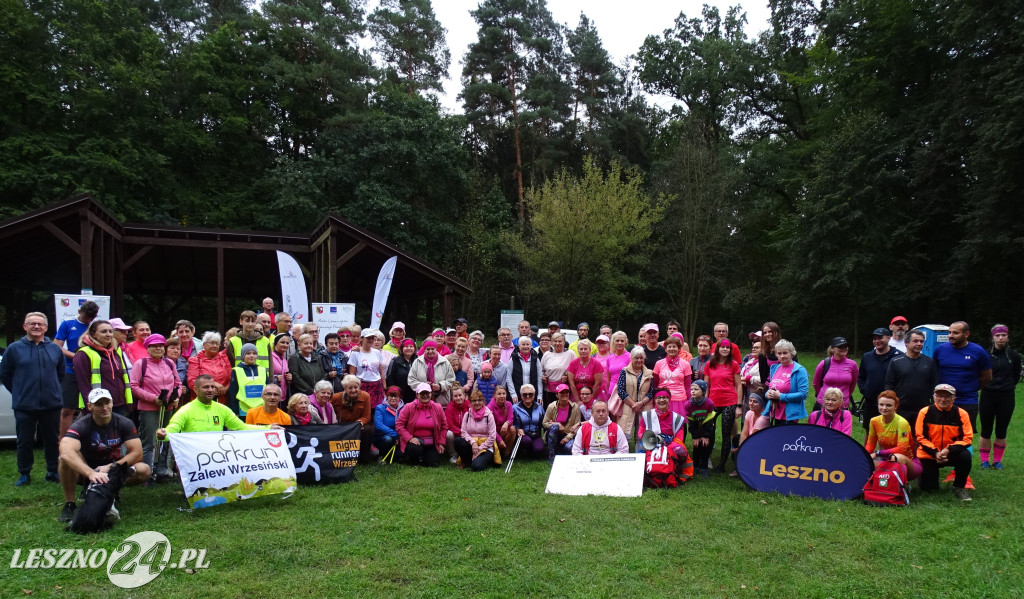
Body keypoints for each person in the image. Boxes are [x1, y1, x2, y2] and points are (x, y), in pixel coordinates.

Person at [57, 389, 151, 524]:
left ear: (112, 403)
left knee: (144, 470)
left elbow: (137, 453)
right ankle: (70, 504)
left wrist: (111, 467)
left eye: (107, 402)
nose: (104, 407)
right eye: (99, 404)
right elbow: (65, 451)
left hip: (113, 469)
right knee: (63, 461)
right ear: (89, 407)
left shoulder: (124, 422)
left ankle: (111, 490)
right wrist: (90, 473)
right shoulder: (80, 425)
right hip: (86, 471)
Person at [2, 312, 64, 486]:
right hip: (24, 404)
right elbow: (5, 374)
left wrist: (52, 390)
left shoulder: (54, 349)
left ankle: (52, 471)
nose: (36, 327)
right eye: (32, 324)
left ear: (46, 327)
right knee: (25, 440)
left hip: (51, 404)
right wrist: (19, 391)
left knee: (52, 439)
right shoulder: (13, 349)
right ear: (25, 326)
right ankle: (24, 473)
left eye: (40, 324)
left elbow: (60, 374)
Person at [128, 333, 182, 482]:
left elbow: (177, 383)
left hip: (168, 406)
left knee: (166, 438)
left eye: (160, 346)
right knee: (150, 441)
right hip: (149, 408)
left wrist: (175, 397)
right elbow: (134, 386)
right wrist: (153, 399)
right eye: (154, 346)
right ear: (148, 348)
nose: (158, 348)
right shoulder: (141, 364)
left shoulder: (169, 363)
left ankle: (163, 470)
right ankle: (147, 472)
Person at [158, 375, 277, 440]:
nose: (210, 390)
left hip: (216, 457)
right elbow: (172, 430)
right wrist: (164, 434)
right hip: (194, 458)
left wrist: (268, 428)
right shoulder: (185, 410)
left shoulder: (222, 409)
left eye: (212, 387)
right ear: (195, 389)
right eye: (205, 387)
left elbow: (241, 427)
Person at [916, 384, 974, 501]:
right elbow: (920, 437)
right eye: (939, 396)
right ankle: (922, 477)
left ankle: (958, 487)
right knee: (929, 489)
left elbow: (967, 438)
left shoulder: (961, 413)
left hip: (952, 453)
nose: (943, 399)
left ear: (954, 399)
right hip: (929, 454)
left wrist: (948, 450)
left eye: (947, 397)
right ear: (934, 396)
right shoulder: (925, 412)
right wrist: (935, 453)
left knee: (966, 456)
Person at [933, 321, 993, 433]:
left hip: (967, 400)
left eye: (955, 333)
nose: (951, 335)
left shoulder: (978, 351)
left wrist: (970, 387)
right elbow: (934, 372)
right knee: (941, 434)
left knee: (965, 436)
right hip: (943, 400)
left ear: (966, 334)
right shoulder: (940, 350)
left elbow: (987, 377)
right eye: (949, 332)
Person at [54, 300, 99, 437]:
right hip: (70, 370)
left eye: (91, 318)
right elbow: (57, 347)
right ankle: (63, 442)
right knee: (67, 409)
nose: (88, 320)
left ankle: (88, 440)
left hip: (90, 372)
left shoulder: (94, 327)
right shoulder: (68, 324)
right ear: (79, 311)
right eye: (86, 317)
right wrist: (77, 356)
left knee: (91, 408)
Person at [979, 324, 1021, 469]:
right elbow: (981, 374)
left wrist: (1006, 386)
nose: (1001, 338)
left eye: (1003, 335)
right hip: (988, 395)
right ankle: (984, 460)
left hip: (1006, 396)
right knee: (986, 430)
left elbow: (1016, 376)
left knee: (1001, 430)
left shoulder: (1013, 355)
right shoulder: (985, 354)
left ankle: (997, 461)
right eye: (998, 335)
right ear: (993, 337)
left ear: (1008, 337)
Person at [73, 319, 133, 415]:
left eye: (110, 331)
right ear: (93, 334)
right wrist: (90, 407)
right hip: (98, 406)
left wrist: (128, 402)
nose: (108, 334)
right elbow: (83, 384)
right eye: (103, 331)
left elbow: (124, 378)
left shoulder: (117, 351)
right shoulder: (83, 353)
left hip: (119, 404)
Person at [884, 330, 939, 423]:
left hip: (923, 408)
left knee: (920, 436)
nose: (919, 344)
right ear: (906, 343)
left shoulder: (930, 362)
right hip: (901, 408)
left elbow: (935, 384)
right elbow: (889, 385)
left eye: (921, 341)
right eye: (915, 341)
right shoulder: (896, 361)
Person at [865, 390, 921, 479]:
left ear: (895, 406)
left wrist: (878, 453)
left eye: (888, 405)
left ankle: (899, 486)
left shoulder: (902, 423)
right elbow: (870, 444)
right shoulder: (874, 421)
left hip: (908, 461)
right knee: (864, 462)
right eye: (881, 404)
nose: (884, 408)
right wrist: (864, 455)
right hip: (886, 459)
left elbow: (902, 449)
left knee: (896, 457)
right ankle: (879, 486)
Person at [858, 327, 903, 435]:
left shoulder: (899, 356)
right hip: (871, 402)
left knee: (891, 433)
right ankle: (867, 452)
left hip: (890, 403)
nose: (877, 341)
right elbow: (861, 377)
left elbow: (902, 379)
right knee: (870, 432)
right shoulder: (867, 357)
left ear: (888, 338)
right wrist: (865, 390)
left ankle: (888, 452)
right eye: (874, 338)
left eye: (880, 338)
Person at [705, 338, 742, 471]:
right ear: (718, 349)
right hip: (713, 402)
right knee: (709, 431)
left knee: (726, 434)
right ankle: (706, 459)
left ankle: (721, 465)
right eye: (723, 347)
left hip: (729, 402)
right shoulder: (710, 364)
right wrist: (705, 403)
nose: (725, 349)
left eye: (728, 348)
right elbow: (706, 385)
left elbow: (738, 385)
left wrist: (738, 405)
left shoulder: (734, 364)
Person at [396, 383, 448, 467]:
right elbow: (399, 425)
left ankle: (424, 457)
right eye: (422, 393)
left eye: (427, 393)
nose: (425, 395)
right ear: (417, 394)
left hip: (431, 442)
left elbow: (444, 426)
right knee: (414, 449)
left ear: (431, 394)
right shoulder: (408, 407)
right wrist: (410, 438)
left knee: (432, 464)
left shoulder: (438, 407)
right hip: (415, 441)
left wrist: (441, 442)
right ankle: (413, 458)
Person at [613, 347, 654, 444]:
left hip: (644, 407)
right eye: (636, 358)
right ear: (631, 358)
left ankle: (641, 457)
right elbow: (621, 390)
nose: (639, 360)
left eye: (641, 358)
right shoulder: (624, 371)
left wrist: (641, 403)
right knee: (625, 436)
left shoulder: (649, 373)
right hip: (627, 407)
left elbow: (651, 391)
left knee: (641, 437)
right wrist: (633, 405)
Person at [331, 375, 375, 463]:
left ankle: (364, 457)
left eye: (356, 387)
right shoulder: (336, 397)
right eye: (350, 388)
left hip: (357, 425)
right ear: (344, 388)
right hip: (342, 425)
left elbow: (367, 416)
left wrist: (359, 423)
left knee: (368, 429)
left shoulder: (365, 396)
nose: (353, 390)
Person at [765, 339, 808, 425]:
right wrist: (767, 394)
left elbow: (803, 394)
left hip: (789, 415)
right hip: (774, 413)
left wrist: (781, 396)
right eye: (779, 353)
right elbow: (770, 386)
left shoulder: (799, 370)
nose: (782, 356)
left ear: (792, 354)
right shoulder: (774, 368)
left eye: (785, 353)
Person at [812, 337, 859, 411]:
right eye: (840, 346)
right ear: (832, 349)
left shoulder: (852, 364)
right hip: (824, 404)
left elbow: (853, 384)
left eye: (845, 346)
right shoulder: (824, 363)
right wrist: (824, 396)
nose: (843, 348)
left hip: (842, 405)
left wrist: (845, 396)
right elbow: (816, 383)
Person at [454, 392, 497, 471]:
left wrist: (479, 448)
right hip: (471, 445)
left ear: (483, 401)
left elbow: (492, 436)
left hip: (485, 447)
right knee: (458, 441)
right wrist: (473, 443)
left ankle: (482, 459)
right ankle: (467, 461)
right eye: (474, 401)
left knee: (476, 467)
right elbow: (463, 432)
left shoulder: (489, 415)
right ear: (470, 402)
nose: (477, 403)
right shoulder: (467, 415)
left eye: (479, 400)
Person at [226, 343, 271, 418]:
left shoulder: (262, 370)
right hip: (244, 411)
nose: (252, 356)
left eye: (254, 353)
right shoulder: (236, 370)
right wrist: (234, 411)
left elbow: (269, 390)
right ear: (243, 356)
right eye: (248, 353)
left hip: (261, 409)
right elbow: (232, 392)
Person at [408, 340, 457, 406]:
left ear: (436, 349)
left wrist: (440, 386)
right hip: (421, 401)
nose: (430, 351)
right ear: (424, 350)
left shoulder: (445, 362)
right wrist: (423, 386)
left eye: (432, 349)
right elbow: (411, 380)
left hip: (441, 401)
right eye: (428, 349)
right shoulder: (417, 362)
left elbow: (451, 379)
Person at [186, 331, 232, 402]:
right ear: (204, 345)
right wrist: (213, 385)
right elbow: (192, 382)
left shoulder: (224, 358)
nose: (215, 346)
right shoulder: (195, 360)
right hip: (203, 401)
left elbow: (231, 377)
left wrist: (226, 388)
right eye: (212, 343)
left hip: (223, 400)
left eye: (217, 343)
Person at [653, 336, 693, 416]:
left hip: (680, 400)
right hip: (662, 399)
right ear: (665, 349)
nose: (672, 349)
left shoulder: (685, 364)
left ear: (679, 349)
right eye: (669, 346)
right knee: (662, 426)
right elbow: (655, 384)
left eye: (674, 346)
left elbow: (688, 386)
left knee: (680, 426)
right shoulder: (659, 363)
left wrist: (690, 401)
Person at [684, 380, 718, 476]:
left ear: (703, 391)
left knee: (705, 447)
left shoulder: (709, 403)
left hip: (707, 428)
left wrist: (705, 435)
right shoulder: (688, 405)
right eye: (691, 389)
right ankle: (696, 466)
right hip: (696, 427)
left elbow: (710, 420)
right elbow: (691, 422)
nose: (693, 391)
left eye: (696, 389)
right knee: (696, 446)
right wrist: (695, 436)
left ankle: (704, 468)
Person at [226, 311, 273, 376]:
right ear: (241, 322)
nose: (250, 324)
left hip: (262, 380)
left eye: (253, 321)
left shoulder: (265, 341)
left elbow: (270, 365)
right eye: (247, 321)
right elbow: (230, 365)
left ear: (256, 322)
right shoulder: (233, 341)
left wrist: (270, 383)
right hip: (241, 380)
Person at [544, 384, 581, 462]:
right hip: (553, 434)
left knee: (569, 448)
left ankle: (560, 450)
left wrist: (568, 437)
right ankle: (551, 455)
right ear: (557, 395)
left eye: (566, 392)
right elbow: (544, 423)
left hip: (568, 434)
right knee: (554, 427)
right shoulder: (551, 406)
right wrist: (557, 424)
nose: (564, 394)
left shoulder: (575, 407)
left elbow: (577, 426)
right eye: (562, 392)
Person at [513, 384, 546, 460]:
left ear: (534, 395)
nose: (528, 396)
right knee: (526, 441)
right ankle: (523, 450)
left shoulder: (539, 407)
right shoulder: (515, 407)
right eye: (525, 394)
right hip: (522, 434)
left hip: (535, 433)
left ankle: (530, 450)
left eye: (530, 394)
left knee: (539, 449)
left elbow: (543, 421)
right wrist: (517, 429)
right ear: (521, 395)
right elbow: (512, 423)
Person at [540, 332, 573, 407]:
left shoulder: (570, 354)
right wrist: (543, 377)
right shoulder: (547, 354)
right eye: (555, 341)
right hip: (549, 390)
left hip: (565, 390)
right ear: (551, 342)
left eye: (560, 341)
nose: (557, 343)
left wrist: (567, 376)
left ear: (564, 342)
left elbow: (576, 369)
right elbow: (541, 370)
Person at [567, 340, 604, 404]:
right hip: (576, 396)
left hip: (593, 396)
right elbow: (572, 384)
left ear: (590, 350)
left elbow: (597, 384)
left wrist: (590, 400)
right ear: (578, 350)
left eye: (585, 349)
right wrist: (578, 400)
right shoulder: (573, 363)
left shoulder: (596, 363)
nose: (583, 351)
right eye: (581, 349)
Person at [487, 385, 517, 460]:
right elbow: (490, 428)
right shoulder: (489, 408)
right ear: (494, 395)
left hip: (503, 430)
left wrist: (506, 423)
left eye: (504, 394)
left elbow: (511, 419)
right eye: (499, 394)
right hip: (493, 433)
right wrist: (499, 440)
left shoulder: (509, 404)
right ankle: (498, 451)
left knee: (512, 429)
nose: (502, 396)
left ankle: (506, 453)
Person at [600, 331, 631, 404]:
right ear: (613, 342)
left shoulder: (630, 357)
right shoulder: (609, 358)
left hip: (625, 393)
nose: (619, 343)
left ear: (626, 342)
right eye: (617, 340)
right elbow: (608, 379)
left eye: (622, 341)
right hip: (612, 392)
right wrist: (608, 392)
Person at [374, 387, 404, 458]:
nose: (393, 398)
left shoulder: (405, 408)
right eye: (391, 396)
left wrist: (401, 436)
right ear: (387, 397)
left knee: (400, 456)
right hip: (384, 435)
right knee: (388, 439)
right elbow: (379, 425)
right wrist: (395, 435)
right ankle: (381, 456)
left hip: (400, 436)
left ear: (400, 397)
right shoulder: (380, 408)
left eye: (396, 396)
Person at [510, 336, 543, 401]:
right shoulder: (513, 359)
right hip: (517, 393)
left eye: (527, 344)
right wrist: (513, 394)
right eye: (523, 344)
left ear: (531, 346)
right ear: (519, 346)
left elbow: (539, 378)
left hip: (532, 393)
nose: (525, 346)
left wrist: (540, 395)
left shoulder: (535, 359)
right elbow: (509, 378)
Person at [444, 387, 471, 463]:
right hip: (456, 433)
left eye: (460, 395)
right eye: (455, 396)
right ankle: (453, 454)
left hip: (468, 432)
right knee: (448, 434)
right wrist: (462, 433)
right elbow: (449, 425)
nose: (458, 398)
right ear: (452, 397)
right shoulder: (449, 408)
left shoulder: (470, 406)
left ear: (464, 395)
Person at [386, 339, 417, 403]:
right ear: (402, 348)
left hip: (415, 395)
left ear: (414, 348)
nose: (409, 348)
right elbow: (390, 379)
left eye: (411, 346)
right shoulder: (395, 361)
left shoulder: (418, 360)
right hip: (400, 395)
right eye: (406, 346)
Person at [173, 320, 199, 385]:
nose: (184, 334)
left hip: (195, 381)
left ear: (192, 332)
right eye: (181, 332)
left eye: (187, 331)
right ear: (177, 333)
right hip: (177, 381)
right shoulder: (171, 346)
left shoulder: (200, 346)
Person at [271, 333, 293, 398]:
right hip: (273, 395)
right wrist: (275, 378)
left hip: (283, 396)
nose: (285, 345)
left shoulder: (284, 359)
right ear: (275, 343)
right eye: (282, 342)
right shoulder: (270, 357)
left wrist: (289, 378)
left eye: (287, 343)